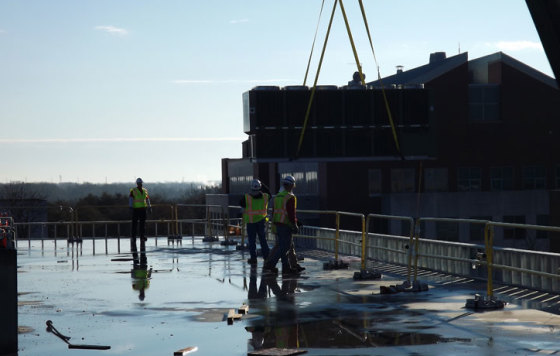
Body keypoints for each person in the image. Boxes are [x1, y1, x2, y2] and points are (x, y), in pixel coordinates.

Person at [263, 175, 301, 275]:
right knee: (285, 248)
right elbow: (291, 213)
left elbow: (274, 211)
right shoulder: (290, 197)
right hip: (286, 224)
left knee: (283, 247)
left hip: (278, 224)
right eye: (293, 185)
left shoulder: (277, 196)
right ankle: (271, 264)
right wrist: (295, 224)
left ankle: (286, 268)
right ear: (291, 185)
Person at [239, 179, 271, 264]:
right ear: (260, 187)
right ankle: (266, 256)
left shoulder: (246, 197)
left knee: (252, 241)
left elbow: (241, 206)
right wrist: (262, 184)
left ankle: (253, 258)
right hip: (261, 221)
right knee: (263, 240)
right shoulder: (265, 196)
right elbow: (269, 192)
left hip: (251, 222)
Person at [129, 178, 151, 244]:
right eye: (139, 183)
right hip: (136, 209)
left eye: (140, 183)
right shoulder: (133, 190)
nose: (140, 184)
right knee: (134, 224)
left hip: (143, 209)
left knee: (142, 224)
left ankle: (142, 237)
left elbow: (147, 199)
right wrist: (131, 207)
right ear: (137, 184)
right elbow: (131, 199)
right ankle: (133, 237)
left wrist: (149, 206)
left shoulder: (145, 190)